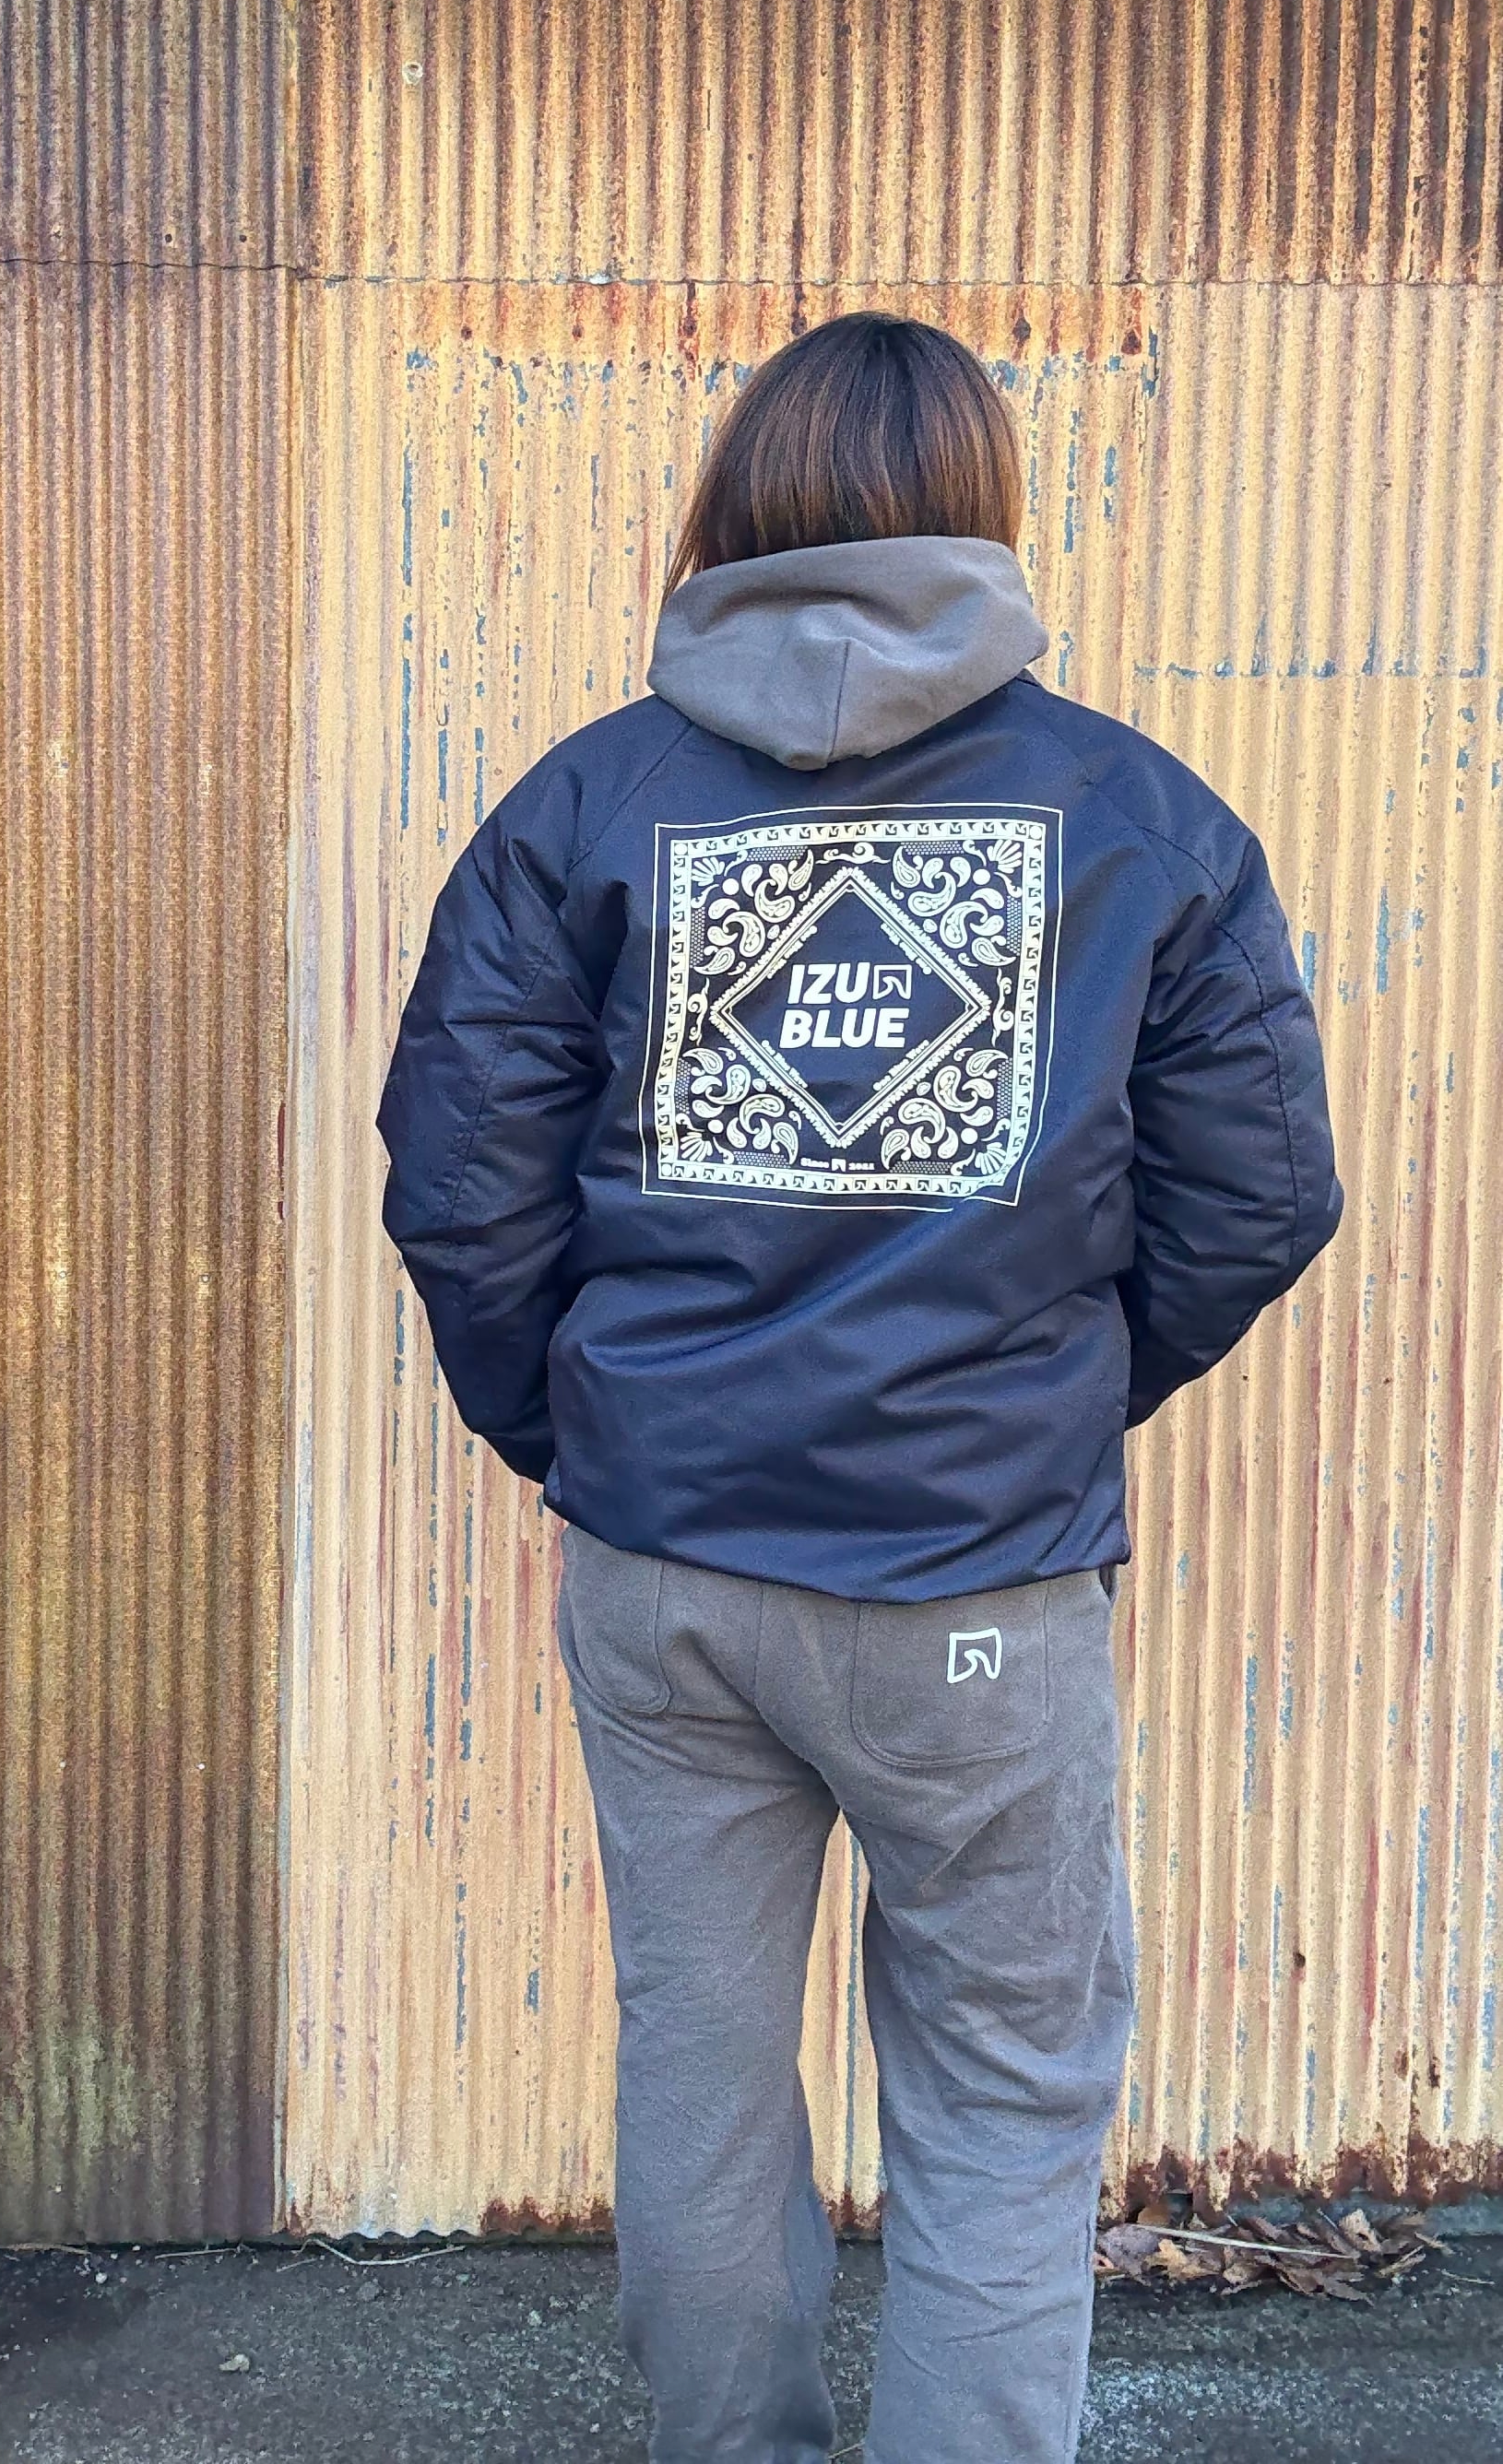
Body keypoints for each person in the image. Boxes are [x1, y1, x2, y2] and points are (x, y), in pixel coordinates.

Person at [377, 313, 1341, 2464]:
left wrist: (593, 1432)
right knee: (1004, 2088)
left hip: (668, 1575)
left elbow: (460, 1189)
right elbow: (1261, 1196)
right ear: (985, 509)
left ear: (735, 506)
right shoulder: (1143, 822)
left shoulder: (585, 808)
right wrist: (1041, 1402)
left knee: (701, 2057)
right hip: (979, 1587)